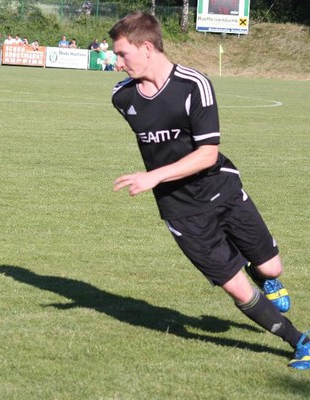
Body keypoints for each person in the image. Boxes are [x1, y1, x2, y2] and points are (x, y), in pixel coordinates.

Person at [109, 11, 310, 370]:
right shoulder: (122, 98)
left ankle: (263, 274)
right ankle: (300, 342)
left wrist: (154, 176)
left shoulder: (193, 85)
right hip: (181, 211)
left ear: (147, 48)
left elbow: (207, 154)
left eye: (122, 53)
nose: (117, 62)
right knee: (235, 287)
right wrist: (162, 180)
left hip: (221, 190)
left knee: (271, 267)